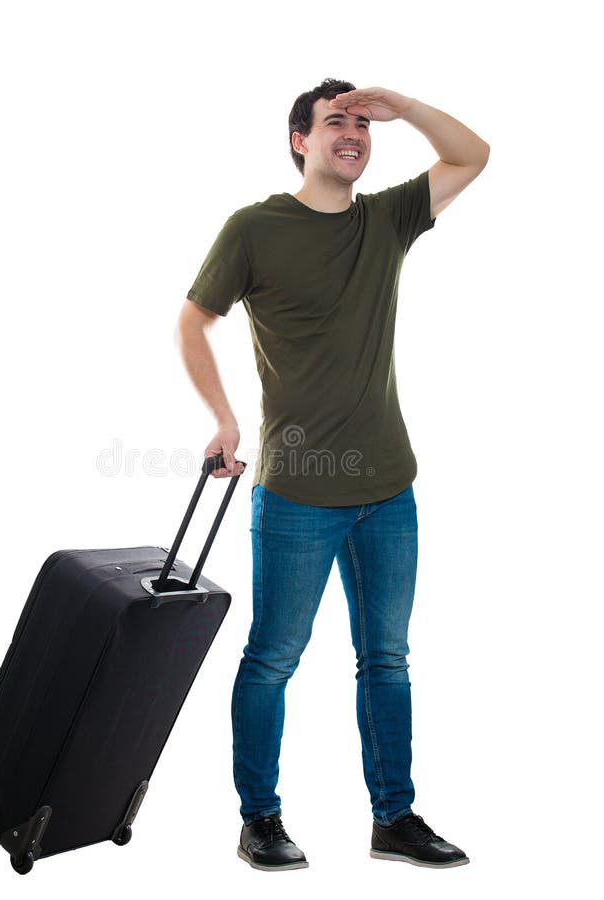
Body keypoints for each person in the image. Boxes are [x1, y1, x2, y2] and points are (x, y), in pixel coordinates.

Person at [174, 79, 489, 871]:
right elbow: (192, 320)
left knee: (386, 657)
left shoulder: (386, 219)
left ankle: (395, 817)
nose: (351, 132)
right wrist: (222, 418)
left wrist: (404, 107)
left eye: (359, 122)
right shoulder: (254, 228)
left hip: (388, 488)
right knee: (273, 657)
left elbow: (472, 155)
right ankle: (260, 819)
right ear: (298, 142)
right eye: (333, 123)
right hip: (298, 492)